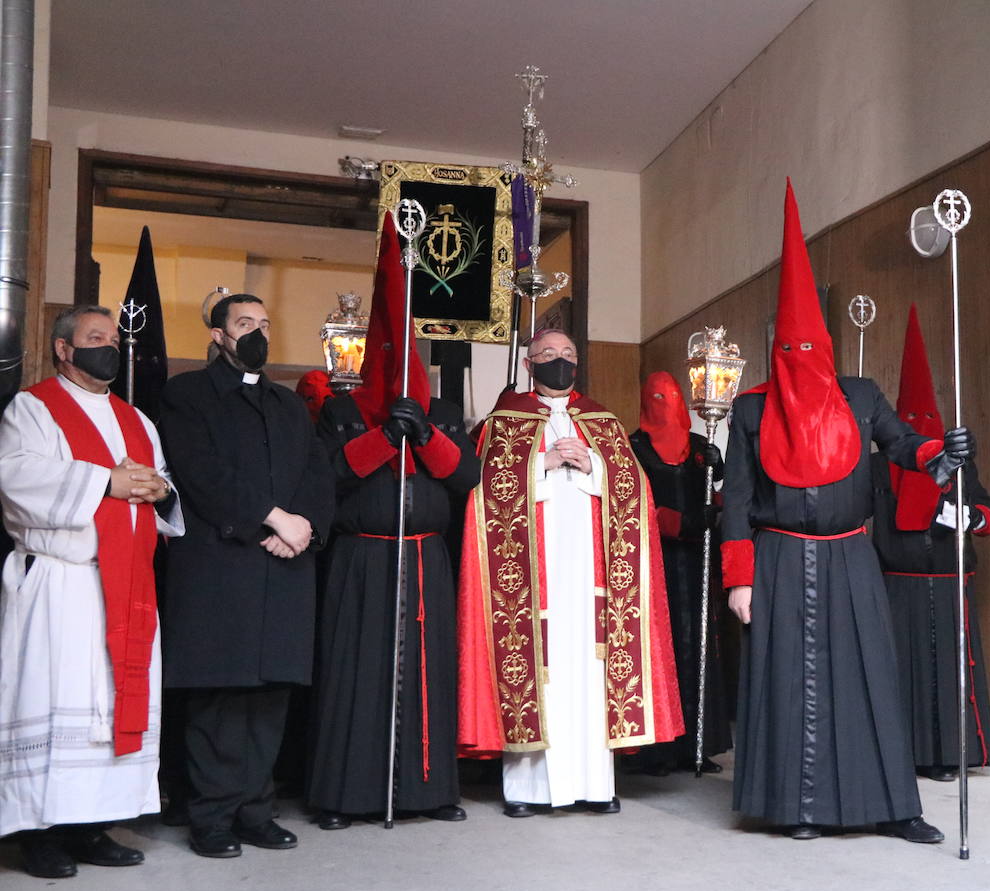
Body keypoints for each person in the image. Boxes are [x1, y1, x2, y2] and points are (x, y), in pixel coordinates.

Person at [720, 182, 974, 843]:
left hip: (850, 552)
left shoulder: (860, 396)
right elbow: (738, 499)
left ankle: (893, 806)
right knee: (786, 683)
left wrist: (942, 455)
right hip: (775, 558)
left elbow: (902, 446)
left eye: (810, 350)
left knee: (869, 675)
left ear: (828, 351)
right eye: (789, 352)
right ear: (777, 354)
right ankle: (796, 807)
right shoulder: (749, 411)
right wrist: (738, 578)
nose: (801, 362)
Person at [458, 330, 684, 817]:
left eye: (567, 356)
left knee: (591, 671)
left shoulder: (602, 420)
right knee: (537, 671)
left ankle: (596, 787)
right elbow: (481, 495)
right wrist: (541, 462)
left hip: (590, 577)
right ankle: (526, 792)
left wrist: (594, 465)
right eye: (548, 356)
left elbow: (635, 492)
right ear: (528, 363)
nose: (558, 363)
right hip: (529, 580)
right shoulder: (505, 420)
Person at [307, 219, 480, 829]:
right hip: (362, 558)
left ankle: (428, 794)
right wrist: (385, 436)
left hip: (428, 558)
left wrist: (425, 433)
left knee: (425, 675)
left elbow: (467, 478)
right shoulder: (342, 409)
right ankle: (343, 796)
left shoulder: (445, 412)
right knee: (356, 676)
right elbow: (330, 477)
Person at [0, 306, 183, 878]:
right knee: (52, 704)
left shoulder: (136, 419)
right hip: (61, 585)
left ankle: (92, 826)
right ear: (64, 349)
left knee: (107, 709)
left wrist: (157, 489)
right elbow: (16, 477)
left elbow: (162, 488)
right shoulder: (33, 407)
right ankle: (40, 834)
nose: (108, 346)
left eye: (112, 338)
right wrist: (107, 480)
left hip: (125, 584)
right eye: (94, 337)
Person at [158, 293, 333, 858]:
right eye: (244, 324)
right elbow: (201, 472)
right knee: (219, 699)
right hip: (219, 567)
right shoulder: (187, 394)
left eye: (264, 324)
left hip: (284, 569)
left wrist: (304, 527)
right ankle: (210, 818)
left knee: (270, 698)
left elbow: (316, 471)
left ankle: (257, 810)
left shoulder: (287, 404)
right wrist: (273, 518)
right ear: (218, 336)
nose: (256, 333)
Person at [872, 306, 990, 781]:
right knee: (900, 672)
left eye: (928, 417)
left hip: (950, 584)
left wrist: (969, 517)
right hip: (896, 587)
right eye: (911, 418)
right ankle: (902, 753)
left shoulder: (961, 464)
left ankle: (949, 754)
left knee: (949, 672)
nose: (920, 424)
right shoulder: (877, 468)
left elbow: (988, 512)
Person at [627, 371, 732, 775]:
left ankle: (699, 743)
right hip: (655, 563)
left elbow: (720, 491)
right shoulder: (633, 448)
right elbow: (630, 502)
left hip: (697, 561)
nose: (665, 404)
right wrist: (682, 522)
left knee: (699, 647)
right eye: (657, 397)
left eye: (672, 397)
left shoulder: (700, 446)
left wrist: (715, 491)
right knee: (660, 648)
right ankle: (657, 748)